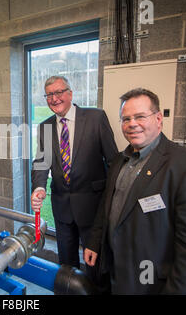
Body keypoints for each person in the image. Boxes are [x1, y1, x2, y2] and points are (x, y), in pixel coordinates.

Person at [84, 88, 186, 294]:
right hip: (116, 271)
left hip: (152, 283)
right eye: (126, 119)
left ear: (158, 119)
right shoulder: (120, 161)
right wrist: (95, 242)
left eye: (140, 116)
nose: (132, 124)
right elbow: (107, 205)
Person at [31, 76, 118, 274]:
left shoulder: (96, 118)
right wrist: (39, 187)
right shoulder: (45, 127)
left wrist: (114, 200)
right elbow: (42, 163)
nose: (54, 98)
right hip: (62, 208)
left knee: (96, 265)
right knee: (66, 265)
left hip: (93, 207)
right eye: (49, 95)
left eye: (59, 92)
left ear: (70, 93)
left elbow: (113, 162)